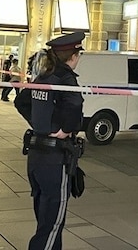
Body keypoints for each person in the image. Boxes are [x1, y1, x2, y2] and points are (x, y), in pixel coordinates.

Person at [14, 31, 84, 250]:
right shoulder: (65, 78)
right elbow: (75, 105)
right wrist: (63, 130)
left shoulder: (43, 77)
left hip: (36, 156)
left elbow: (21, 102)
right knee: (52, 224)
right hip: (55, 159)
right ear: (72, 56)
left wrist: (39, 124)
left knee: (44, 219)